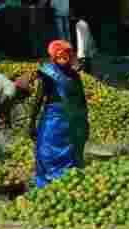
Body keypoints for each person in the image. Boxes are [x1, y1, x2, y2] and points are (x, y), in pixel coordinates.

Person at [32, 40, 88, 188]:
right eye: (60, 56)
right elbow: (39, 98)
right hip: (55, 119)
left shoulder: (72, 75)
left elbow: (81, 100)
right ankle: (55, 181)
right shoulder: (50, 73)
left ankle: (60, 181)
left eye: (66, 56)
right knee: (50, 150)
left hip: (68, 120)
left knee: (63, 149)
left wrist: (84, 122)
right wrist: (32, 121)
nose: (63, 59)